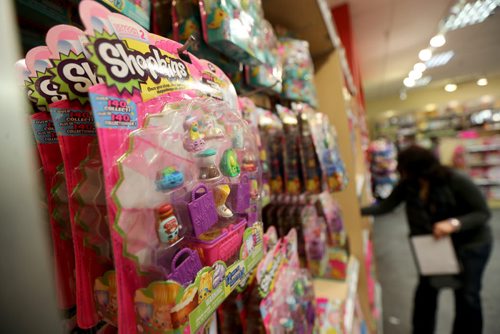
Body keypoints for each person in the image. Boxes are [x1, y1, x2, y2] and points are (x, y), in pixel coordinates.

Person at [361, 145, 492, 334]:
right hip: (433, 248)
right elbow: (385, 207)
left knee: (467, 296)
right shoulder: (409, 183)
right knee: (426, 292)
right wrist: (352, 212)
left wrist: (454, 223)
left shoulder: (455, 180)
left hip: (470, 245)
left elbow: (482, 213)